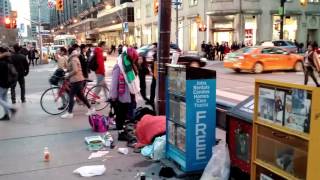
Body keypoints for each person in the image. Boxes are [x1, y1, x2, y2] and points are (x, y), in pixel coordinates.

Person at [110, 47, 139, 139]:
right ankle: (120, 134)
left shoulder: (128, 65)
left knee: (124, 114)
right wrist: (113, 96)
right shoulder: (119, 66)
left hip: (129, 94)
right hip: (121, 95)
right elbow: (114, 83)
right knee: (120, 115)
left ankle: (123, 131)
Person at [60, 47, 95, 119]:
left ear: (70, 53)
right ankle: (91, 109)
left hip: (77, 80)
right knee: (81, 96)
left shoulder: (73, 59)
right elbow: (73, 69)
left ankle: (70, 113)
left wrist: (68, 75)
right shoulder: (74, 58)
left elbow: (75, 70)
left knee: (71, 95)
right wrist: (66, 71)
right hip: (78, 80)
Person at [0, 47, 17, 120]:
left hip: (1, 84)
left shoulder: (1, 62)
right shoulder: (8, 60)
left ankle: (10, 109)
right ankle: (6, 115)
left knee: (2, 99)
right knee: (4, 99)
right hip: (7, 83)